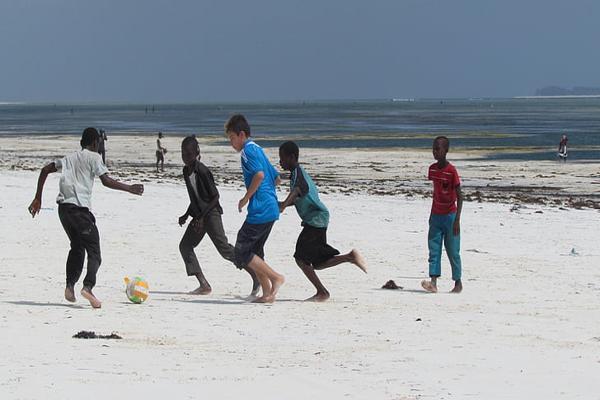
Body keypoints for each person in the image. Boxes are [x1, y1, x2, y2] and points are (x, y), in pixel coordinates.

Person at [28, 127, 144, 308]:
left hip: (64, 211)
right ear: (95, 142)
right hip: (79, 211)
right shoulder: (95, 157)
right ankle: (88, 287)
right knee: (95, 252)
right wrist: (130, 188)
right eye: (99, 142)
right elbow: (106, 181)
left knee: (77, 247)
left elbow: (45, 170)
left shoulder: (70, 158)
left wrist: (38, 198)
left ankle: (69, 287)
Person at [278, 141, 367, 301]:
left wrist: (283, 205)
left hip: (316, 219)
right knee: (318, 263)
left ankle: (322, 292)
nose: (280, 162)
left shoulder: (298, 174)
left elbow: (298, 190)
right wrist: (282, 203)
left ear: (291, 157)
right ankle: (350, 257)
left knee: (301, 258)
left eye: (282, 158)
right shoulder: (295, 174)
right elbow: (299, 196)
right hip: (317, 219)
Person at [178, 135, 259, 296]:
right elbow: (195, 197)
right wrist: (187, 215)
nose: (186, 157)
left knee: (224, 249)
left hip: (212, 214)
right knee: (185, 246)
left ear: (197, 152)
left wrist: (201, 218)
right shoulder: (186, 171)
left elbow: (215, 197)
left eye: (189, 153)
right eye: (183, 153)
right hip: (199, 215)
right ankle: (204, 284)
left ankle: (255, 274)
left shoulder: (202, 170)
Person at [225, 114, 284, 303]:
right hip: (271, 208)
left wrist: (246, 198)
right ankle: (267, 293)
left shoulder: (247, 152)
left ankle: (276, 278)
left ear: (241, 135)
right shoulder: (257, 148)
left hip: (261, 209)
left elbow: (259, 175)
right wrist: (268, 196)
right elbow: (277, 178)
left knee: (242, 250)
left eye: (232, 138)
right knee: (256, 252)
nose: (231, 143)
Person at [421, 136, 463, 294]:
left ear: (446, 151)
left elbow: (460, 196)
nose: (435, 152)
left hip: (450, 217)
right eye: (433, 149)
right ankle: (433, 282)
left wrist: (457, 220)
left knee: (453, 250)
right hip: (436, 216)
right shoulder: (432, 169)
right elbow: (436, 193)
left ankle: (458, 282)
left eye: (438, 149)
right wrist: (432, 215)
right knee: (434, 249)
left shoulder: (452, 171)